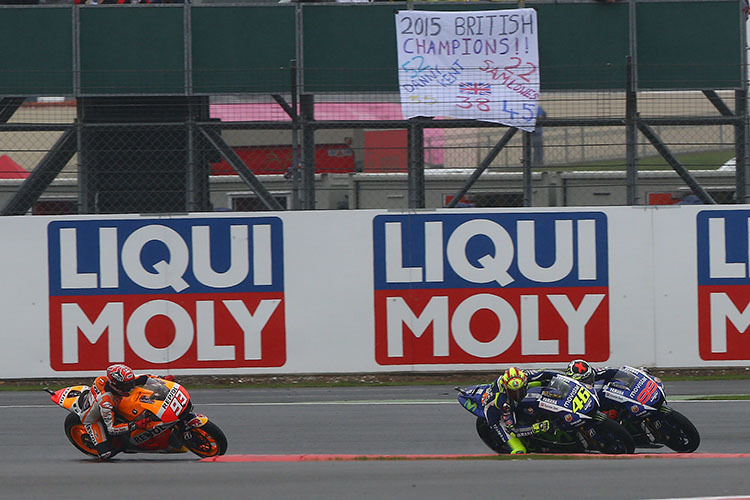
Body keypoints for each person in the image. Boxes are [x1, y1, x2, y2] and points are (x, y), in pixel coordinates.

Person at [78, 364, 174, 460]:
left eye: (131, 383)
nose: (131, 387)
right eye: (127, 386)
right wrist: (136, 425)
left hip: (112, 402)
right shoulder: (106, 403)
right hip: (92, 419)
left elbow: (143, 378)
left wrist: (162, 380)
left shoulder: (118, 382)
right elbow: (112, 429)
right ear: (116, 385)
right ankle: (125, 445)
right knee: (106, 454)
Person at [482, 366, 559, 454]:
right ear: (507, 389)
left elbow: (546, 373)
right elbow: (513, 431)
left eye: (520, 391)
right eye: (513, 392)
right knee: (519, 451)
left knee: (543, 383)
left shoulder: (524, 375)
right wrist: (537, 428)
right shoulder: (503, 402)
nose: (518, 395)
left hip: (511, 398)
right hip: (497, 417)